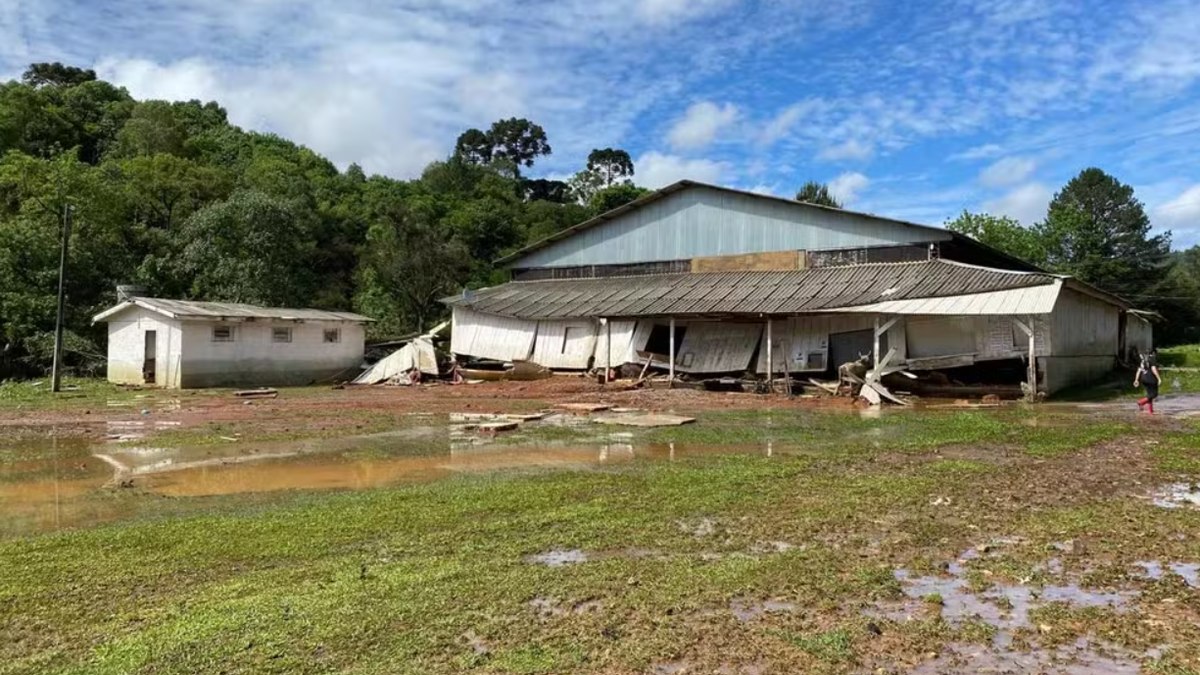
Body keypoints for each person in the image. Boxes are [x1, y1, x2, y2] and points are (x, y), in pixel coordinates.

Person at [1134, 349, 1161, 414]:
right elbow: (1153, 369)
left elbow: (1139, 371)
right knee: (1154, 394)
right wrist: (1159, 378)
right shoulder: (1152, 359)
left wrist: (1136, 380)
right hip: (1151, 378)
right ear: (1153, 353)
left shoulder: (1142, 361)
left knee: (1149, 395)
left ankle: (1150, 411)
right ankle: (1141, 402)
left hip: (1144, 379)